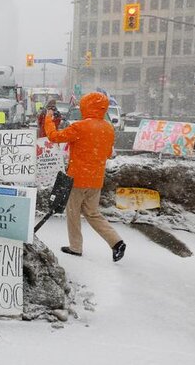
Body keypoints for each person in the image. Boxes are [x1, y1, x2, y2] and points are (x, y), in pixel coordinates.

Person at [44, 92, 126, 262]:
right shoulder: (108, 128)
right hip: (96, 179)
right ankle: (116, 242)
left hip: (78, 179)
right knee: (92, 213)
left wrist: (48, 120)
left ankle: (76, 247)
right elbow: (109, 153)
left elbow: (54, 137)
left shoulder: (80, 126)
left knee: (73, 213)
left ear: (86, 106)